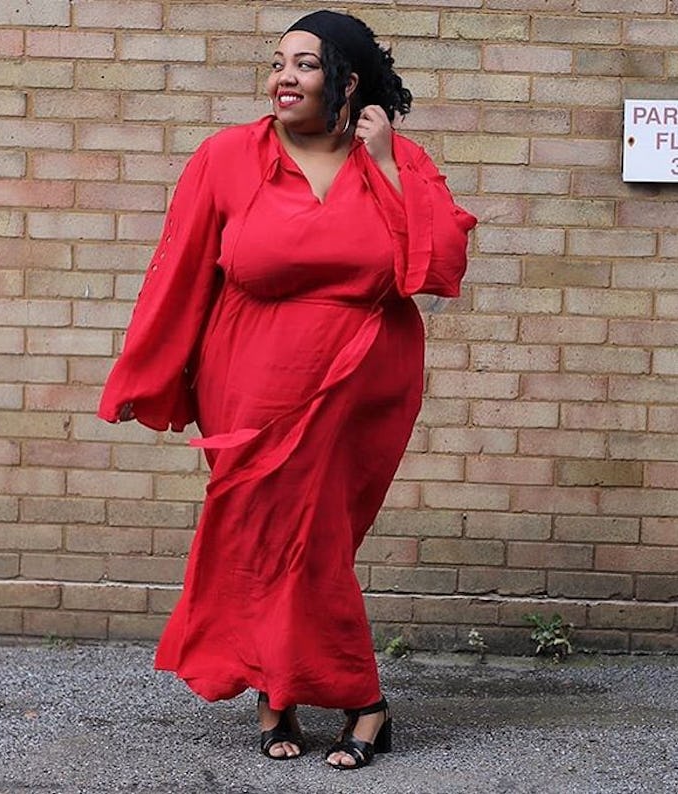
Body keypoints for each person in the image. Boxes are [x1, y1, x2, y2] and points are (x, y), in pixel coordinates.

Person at [98, 10, 476, 770]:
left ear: (348, 79)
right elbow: (177, 271)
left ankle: (340, 694)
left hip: (360, 381)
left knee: (317, 540)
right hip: (250, 380)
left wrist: (390, 161)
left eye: (304, 64)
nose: (283, 78)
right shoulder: (227, 157)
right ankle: (313, 696)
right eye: (277, 63)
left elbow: (436, 268)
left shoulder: (397, 158)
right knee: (263, 537)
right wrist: (151, 373)